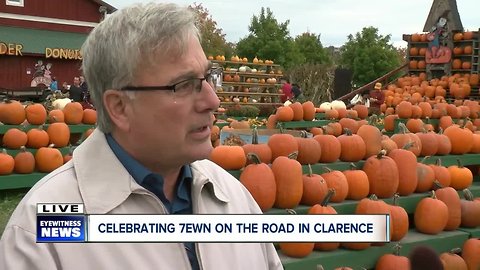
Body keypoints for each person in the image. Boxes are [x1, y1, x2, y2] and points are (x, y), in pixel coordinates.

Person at [0, 3, 283, 270]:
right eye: (184, 85)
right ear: (120, 107)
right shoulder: (42, 231)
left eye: (208, 77)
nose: (212, 101)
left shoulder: (232, 195)